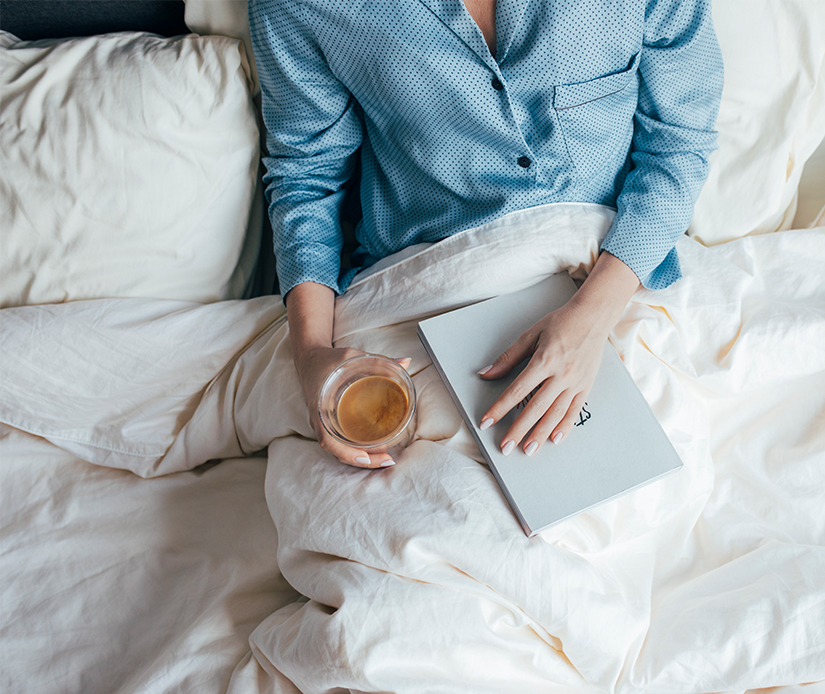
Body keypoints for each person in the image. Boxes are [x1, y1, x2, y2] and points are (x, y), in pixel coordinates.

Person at [248, 0, 723, 468]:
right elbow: (306, 179)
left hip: (613, 270)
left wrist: (591, 319)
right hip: (423, 287)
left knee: (652, 470)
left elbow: (680, 143)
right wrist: (311, 355)